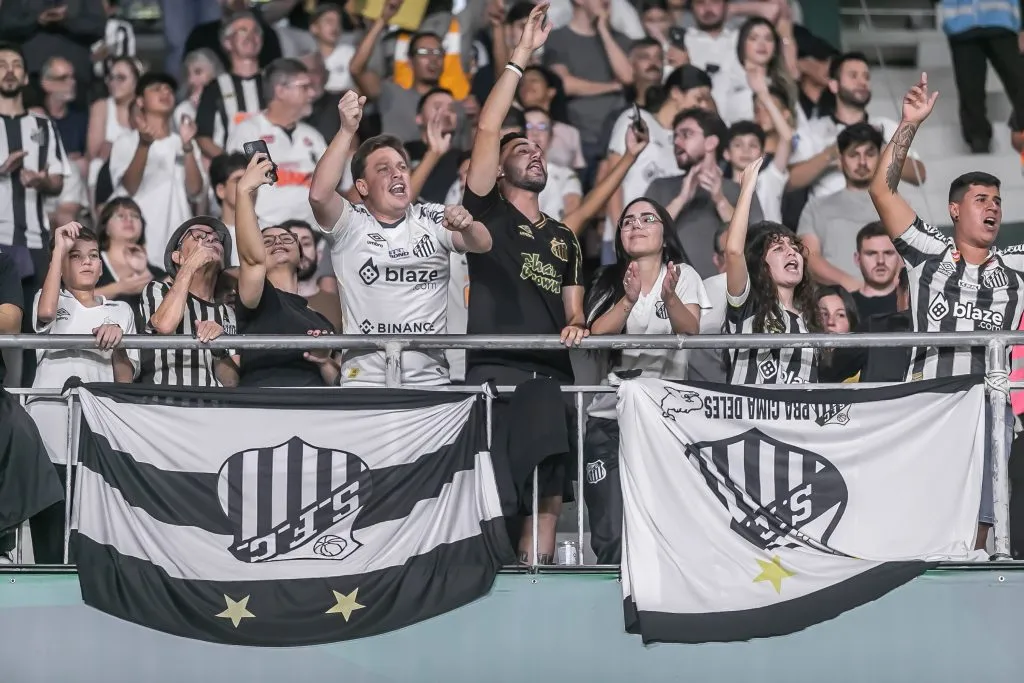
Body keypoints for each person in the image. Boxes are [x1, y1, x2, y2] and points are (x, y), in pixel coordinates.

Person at [461, 3, 651, 564]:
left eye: (538, 148)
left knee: (547, 495)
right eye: (522, 150)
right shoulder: (487, 211)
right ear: (497, 169)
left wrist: (598, 315)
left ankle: (537, 582)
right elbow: (489, 125)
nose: (535, 151)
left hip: (551, 380)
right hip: (496, 371)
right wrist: (521, 56)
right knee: (498, 497)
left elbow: (576, 316)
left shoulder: (564, 238)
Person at [869, 73, 1024, 549]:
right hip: (932, 401)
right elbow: (881, 191)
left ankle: (981, 563)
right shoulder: (928, 250)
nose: (992, 208)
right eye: (981, 200)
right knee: (928, 503)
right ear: (956, 210)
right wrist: (908, 125)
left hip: (990, 405)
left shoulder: (1017, 262)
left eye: (997, 201)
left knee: (986, 510)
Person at [309, 91, 492, 387]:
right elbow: (318, 195)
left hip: (430, 383)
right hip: (364, 383)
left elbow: (483, 243)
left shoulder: (432, 217)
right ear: (362, 186)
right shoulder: (351, 224)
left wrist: (469, 226)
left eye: (402, 167)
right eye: (383, 170)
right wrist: (346, 130)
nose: (398, 175)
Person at [582, 197, 709, 563]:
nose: (635, 225)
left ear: (665, 233)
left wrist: (669, 298)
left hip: (665, 420)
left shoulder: (683, 276)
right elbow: (596, 334)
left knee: (662, 521)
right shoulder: (609, 278)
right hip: (610, 417)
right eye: (627, 221)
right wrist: (628, 299)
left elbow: (691, 329)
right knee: (609, 525)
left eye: (647, 219)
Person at [26, 221, 137, 563]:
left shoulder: (120, 311)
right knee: (48, 525)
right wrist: (58, 248)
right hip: (47, 429)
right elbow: (44, 315)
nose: (87, 262)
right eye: (76, 257)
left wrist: (118, 342)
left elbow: (125, 379)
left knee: (89, 527)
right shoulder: (48, 299)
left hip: (93, 433)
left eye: (92, 256)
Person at [233, 154, 339, 388]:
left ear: (301, 256)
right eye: (267, 242)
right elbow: (251, 260)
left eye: (286, 238)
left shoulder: (320, 320)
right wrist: (244, 192)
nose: (278, 242)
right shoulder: (258, 298)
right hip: (264, 406)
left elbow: (339, 382)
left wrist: (323, 362)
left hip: (316, 410)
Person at [0, 42, 69, 388]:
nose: (9, 70)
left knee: (34, 331)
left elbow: (58, 180)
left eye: (15, 65)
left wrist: (42, 179)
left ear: (25, 76)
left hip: (33, 242)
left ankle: (25, 403)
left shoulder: (42, 126)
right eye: (2, 64)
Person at [602, 65, 714, 264]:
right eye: (699, 98)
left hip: (660, 243)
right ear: (676, 93)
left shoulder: (684, 142)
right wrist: (621, 230)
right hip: (625, 234)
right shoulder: (638, 121)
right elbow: (613, 178)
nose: (704, 106)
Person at [723, 157, 820, 384]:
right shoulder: (747, 306)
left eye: (794, 246)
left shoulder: (811, 319)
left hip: (797, 419)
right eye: (778, 248)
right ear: (759, 264)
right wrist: (747, 188)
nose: (791, 252)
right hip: (748, 419)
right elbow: (734, 252)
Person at [646, 107, 764, 279]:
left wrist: (720, 200)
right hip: (671, 294)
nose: (677, 142)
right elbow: (645, 233)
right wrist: (681, 199)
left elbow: (755, 242)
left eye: (686, 134)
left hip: (726, 293)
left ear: (711, 143)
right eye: (676, 136)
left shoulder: (741, 190)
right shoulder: (660, 187)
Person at [788, 52, 927, 198]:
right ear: (834, 85)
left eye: (866, 77)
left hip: (878, 214)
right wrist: (830, 155)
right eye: (853, 76)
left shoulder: (886, 126)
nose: (862, 82)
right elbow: (790, 182)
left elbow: (919, 175)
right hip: (829, 215)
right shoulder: (812, 129)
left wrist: (880, 151)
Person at [109, 72, 204, 268]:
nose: (165, 92)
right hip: (139, 246)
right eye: (156, 88)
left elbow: (195, 191)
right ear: (140, 101)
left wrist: (187, 146)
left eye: (169, 89)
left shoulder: (184, 141)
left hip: (178, 247)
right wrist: (144, 145)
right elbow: (129, 188)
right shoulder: (125, 141)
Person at [349, 0, 470, 145]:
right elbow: (356, 69)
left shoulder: (456, 107)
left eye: (438, 52)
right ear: (410, 61)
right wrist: (383, 20)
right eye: (424, 52)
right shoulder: (390, 94)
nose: (432, 59)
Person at [225, 58, 325, 228]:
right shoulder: (248, 132)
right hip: (266, 233)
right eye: (304, 87)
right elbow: (235, 187)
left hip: (313, 235)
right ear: (280, 91)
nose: (312, 94)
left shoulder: (313, 136)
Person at [139, 217, 238, 387]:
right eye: (198, 236)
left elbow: (231, 382)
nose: (211, 238)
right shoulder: (158, 289)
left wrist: (219, 348)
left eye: (217, 239)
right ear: (177, 257)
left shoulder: (227, 311)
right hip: (164, 402)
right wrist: (190, 265)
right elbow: (164, 325)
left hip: (210, 406)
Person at [542, 0, 633, 182]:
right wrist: (612, 87)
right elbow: (565, 84)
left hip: (618, 138)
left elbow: (628, 77)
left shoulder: (621, 40)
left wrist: (604, 31)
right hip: (581, 139)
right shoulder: (558, 38)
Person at [797, 122, 884, 291]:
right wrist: (849, 284)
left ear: (880, 158)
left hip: (890, 301)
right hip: (836, 303)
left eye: (870, 154)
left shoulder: (897, 206)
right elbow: (809, 257)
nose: (862, 162)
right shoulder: (815, 207)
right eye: (854, 155)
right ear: (841, 159)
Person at [941, 0, 1024, 154]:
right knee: (970, 91)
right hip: (961, 26)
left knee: (1019, 82)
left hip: (1002, 23)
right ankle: (978, 143)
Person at [194, 10, 268, 160]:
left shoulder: (273, 82)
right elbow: (203, 137)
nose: (251, 37)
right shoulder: (215, 88)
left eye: (255, 31)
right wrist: (232, 165)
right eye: (242, 31)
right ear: (227, 42)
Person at [712, 15, 798, 126]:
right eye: (753, 38)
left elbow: (798, 127)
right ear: (742, 44)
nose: (762, 44)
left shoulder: (784, 82)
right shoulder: (724, 79)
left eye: (768, 39)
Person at [93, 197, 163, 308]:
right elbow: (74, 300)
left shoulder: (157, 273)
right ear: (105, 227)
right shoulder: (91, 263)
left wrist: (150, 280)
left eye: (135, 216)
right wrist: (119, 287)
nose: (129, 219)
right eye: (120, 216)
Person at [86, 56, 138, 198]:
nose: (114, 83)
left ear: (135, 82)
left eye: (121, 78)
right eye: (111, 77)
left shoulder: (143, 107)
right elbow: (94, 152)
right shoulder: (101, 106)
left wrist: (115, 147)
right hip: (105, 173)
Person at [850, 221, 901, 319]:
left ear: (899, 258)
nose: (880, 261)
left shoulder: (914, 306)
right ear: (857, 259)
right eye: (871, 253)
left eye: (888, 253)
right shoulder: (843, 307)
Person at [209, 152, 248, 266]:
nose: (248, 185)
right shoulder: (208, 236)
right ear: (221, 190)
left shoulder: (268, 231)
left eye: (250, 179)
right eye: (238, 180)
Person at [174, 48, 223, 132]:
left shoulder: (229, 101)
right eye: (189, 74)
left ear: (214, 72)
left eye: (198, 72)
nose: (191, 80)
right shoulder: (184, 109)